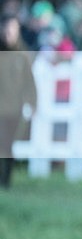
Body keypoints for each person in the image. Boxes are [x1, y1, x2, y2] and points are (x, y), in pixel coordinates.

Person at [0, 14, 37, 188]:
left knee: (7, 145)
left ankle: (5, 180)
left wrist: (33, 103)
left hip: (13, 108)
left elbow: (29, 82)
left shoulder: (22, 55)